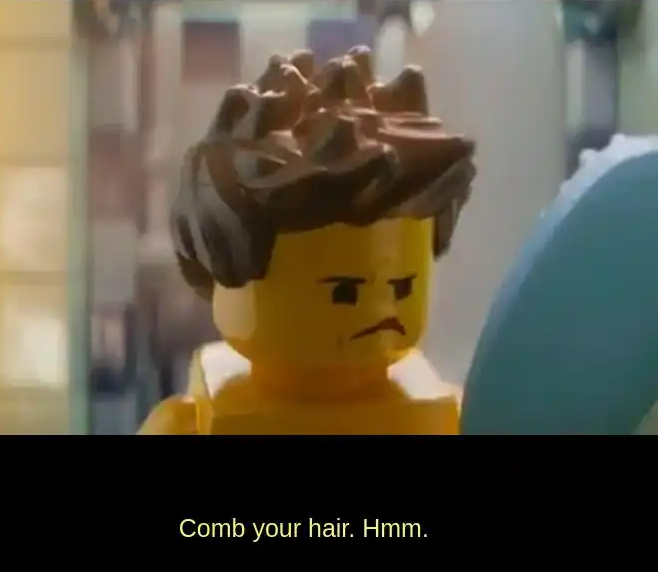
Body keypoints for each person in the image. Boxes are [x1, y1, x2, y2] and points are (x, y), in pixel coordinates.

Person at [139, 47, 476, 434]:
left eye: (403, 288)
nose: (382, 310)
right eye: (344, 293)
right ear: (224, 266)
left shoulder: (441, 411)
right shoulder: (191, 422)